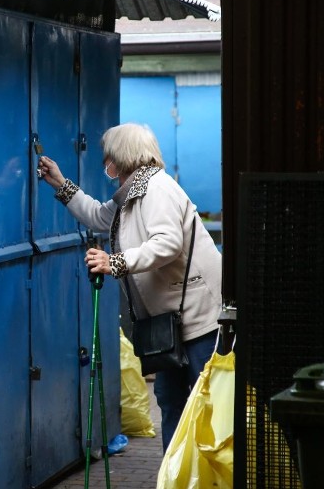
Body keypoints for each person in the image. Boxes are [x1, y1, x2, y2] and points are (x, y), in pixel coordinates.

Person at [37, 122, 222, 451]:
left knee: (206, 404)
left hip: (197, 321)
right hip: (171, 323)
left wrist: (115, 262)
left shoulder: (157, 190)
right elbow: (97, 216)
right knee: (171, 402)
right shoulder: (131, 195)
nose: (105, 161)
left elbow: (167, 243)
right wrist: (60, 183)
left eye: (108, 155)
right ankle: (175, 476)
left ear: (121, 157)